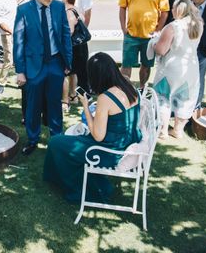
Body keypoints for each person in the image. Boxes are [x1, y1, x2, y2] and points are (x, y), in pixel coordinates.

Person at [43, 52, 142, 203]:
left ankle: (84, 189)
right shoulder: (127, 84)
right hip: (127, 139)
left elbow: (98, 136)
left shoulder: (105, 98)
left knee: (56, 142)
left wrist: (86, 108)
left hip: (110, 150)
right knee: (68, 139)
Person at [13, 0, 73, 156]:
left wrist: (67, 62)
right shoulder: (24, 10)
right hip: (33, 67)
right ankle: (32, 139)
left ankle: (56, 139)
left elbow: (65, 36)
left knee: (55, 103)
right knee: (33, 105)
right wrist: (20, 71)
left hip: (55, 63)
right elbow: (19, 42)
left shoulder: (59, 7)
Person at [151, 0, 203, 139]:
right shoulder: (198, 24)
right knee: (185, 99)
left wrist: (153, 43)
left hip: (172, 67)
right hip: (191, 67)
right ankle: (178, 130)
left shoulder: (173, 27)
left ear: (177, 10)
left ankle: (163, 131)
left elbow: (161, 50)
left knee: (164, 97)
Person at [118, 0, 170, 90]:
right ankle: (126, 90)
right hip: (131, 35)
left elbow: (165, 12)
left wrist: (158, 30)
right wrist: (123, 28)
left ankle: (142, 88)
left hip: (150, 37)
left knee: (146, 65)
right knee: (126, 64)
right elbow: (122, 8)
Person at [57, 0, 93, 107]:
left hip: (75, 39)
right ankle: (72, 95)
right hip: (70, 38)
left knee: (75, 69)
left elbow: (88, 12)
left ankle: (71, 97)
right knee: (71, 69)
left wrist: (81, 34)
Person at [62, 0, 89, 110]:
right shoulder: (78, 10)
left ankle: (65, 100)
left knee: (65, 73)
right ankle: (73, 96)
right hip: (81, 46)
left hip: (72, 47)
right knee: (74, 72)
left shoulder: (68, 12)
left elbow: (70, 31)